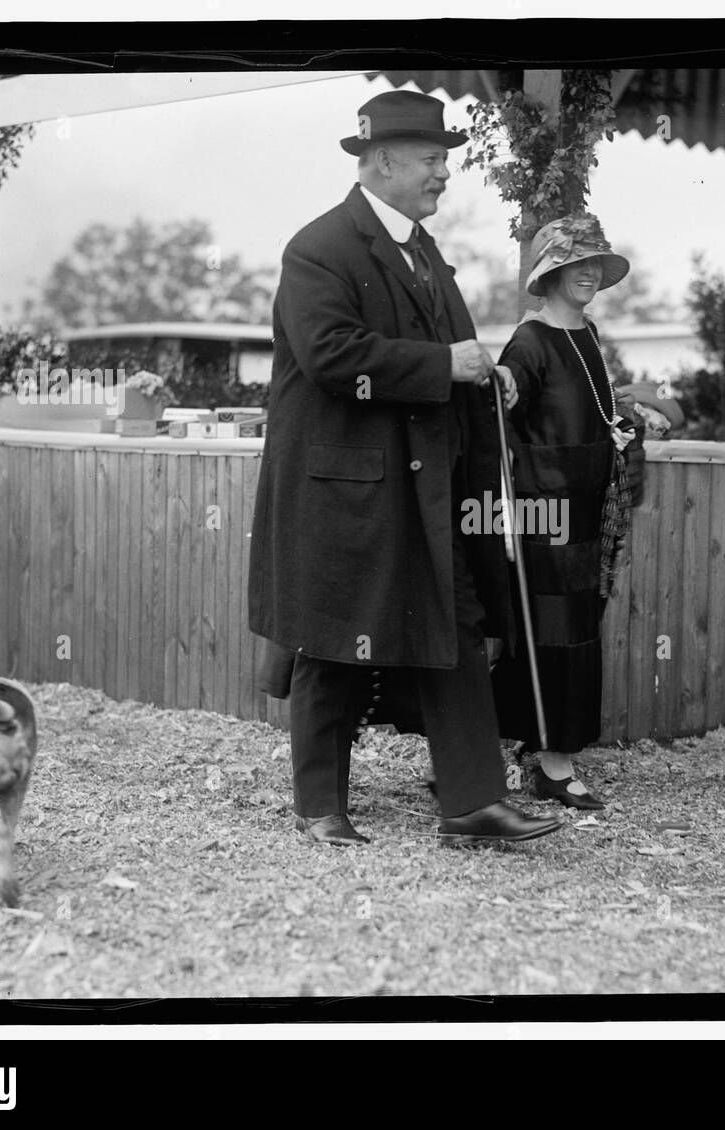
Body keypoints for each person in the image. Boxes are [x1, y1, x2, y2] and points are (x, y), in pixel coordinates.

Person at [248, 90, 562, 848]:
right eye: (430, 160)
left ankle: (472, 804)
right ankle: (318, 804)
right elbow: (330, 358)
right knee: (332, 637)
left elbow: (448, 359)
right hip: (344, 490)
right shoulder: (319, 247)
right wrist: (444, 365)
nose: (443, 174)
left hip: (420, 488)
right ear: (381, 162)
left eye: (446, 160)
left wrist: (489, 376)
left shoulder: (423, 253)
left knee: (452, 630)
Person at [489, 215, 641, 810]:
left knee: (577, 633)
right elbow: (503, 408)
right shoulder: (529, 341)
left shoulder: (589, 335)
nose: (588, 273)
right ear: (551, 271)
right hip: (544, 517)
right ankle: (546, 761)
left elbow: (592, 414)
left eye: (595, 265)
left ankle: (539, 754)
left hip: (589, 513)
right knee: (548, 636)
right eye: (577, 264)